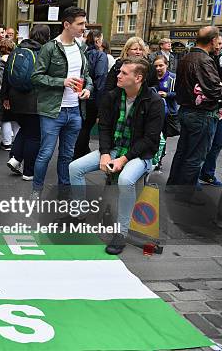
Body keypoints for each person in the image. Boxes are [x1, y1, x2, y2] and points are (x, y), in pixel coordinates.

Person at [69, 57, 164, 255]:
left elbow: (150, 139)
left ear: (138, 78)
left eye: (123, 73)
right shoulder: (112, 96)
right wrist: (104, 154)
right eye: (119, 72)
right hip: (113, 148)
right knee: (74, 168)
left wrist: (123, 158)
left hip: (141, 154)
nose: (118, 75)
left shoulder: (154, 102)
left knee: (126, 179)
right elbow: (103, 127)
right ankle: (78, 216)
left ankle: (121, 233)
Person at [30, 6, 93, 198]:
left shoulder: (81, 47)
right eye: (80, 24)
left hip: (75, 110)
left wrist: (87, 89)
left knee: (67, 155)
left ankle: (64, 192)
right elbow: (36, 77)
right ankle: (37, 190)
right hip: (52, 111)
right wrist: (62, 82)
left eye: (84, 23)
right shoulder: (50, 48)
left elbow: (87, 76)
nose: (84, 28)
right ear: (67, 24)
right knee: (45, 153)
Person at [167, 26, 222, 205]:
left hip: (186, 111)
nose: (220, 44)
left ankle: (174, 187)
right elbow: (214, 91)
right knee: (195, 156)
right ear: (212, 40)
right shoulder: (203, 60)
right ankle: (185, 196)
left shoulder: (187, 57)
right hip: (201, 115)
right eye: (219, 40)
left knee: (183, 152)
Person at [3, 24, 51, 181]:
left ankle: (16, 158)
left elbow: (6, 76)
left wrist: (5, 98)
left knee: (25, 129)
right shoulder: (45, 52)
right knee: (34, 136)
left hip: (15, 98)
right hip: (34, 99)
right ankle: (29, 172)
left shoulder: (17, 50)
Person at [73, 29, 109, 159]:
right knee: (86, 126)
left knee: (82, 125)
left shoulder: (82, 53)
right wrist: (101, 104)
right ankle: (78, 153)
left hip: (79, 93)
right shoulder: (100, 56)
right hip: (92, 97)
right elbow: (100, 79)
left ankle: (82, 150)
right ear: (98, 40)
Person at [199, 36, 222, 186]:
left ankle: (207, 173)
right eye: (217, 43)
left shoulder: (220, 58)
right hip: (210, 107)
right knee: (204, 144)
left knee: (219, 141)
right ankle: (194, 177)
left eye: (221, 44)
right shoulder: (207, 60)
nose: (218, 47)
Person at [0, 39, 18, 149]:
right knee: (16, 119)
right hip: (14, 93)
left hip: (0, 94)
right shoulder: (15, 62)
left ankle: (7, 143)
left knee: (5, 119)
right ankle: (18, 141)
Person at [152, 54, 177, 170]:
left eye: (161, 65)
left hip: (167, 114)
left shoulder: (172, 78)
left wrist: (167, 94)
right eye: (156, 66)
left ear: (166, 65)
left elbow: (179, 94)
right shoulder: (152, 77)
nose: (158, 68)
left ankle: (159, 158)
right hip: (153, 113)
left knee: (163, 137)